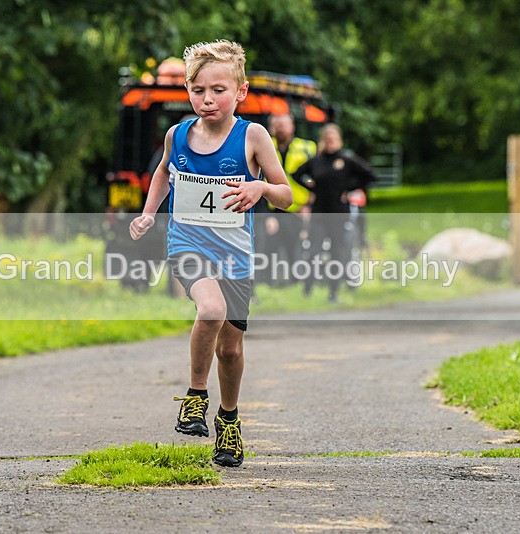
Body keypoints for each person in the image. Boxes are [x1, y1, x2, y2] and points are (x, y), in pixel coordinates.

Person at [129, 40, 292, 467]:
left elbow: (287, 196)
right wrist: (148, 214)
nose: (207, 99)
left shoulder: (253, 136)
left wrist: (260, 188)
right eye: (198, 90)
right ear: (188, 91)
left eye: (218, 90)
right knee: (211, 309)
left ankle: (229, 420)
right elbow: (164, 172)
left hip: (236, 255)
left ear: (240, 91)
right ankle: (196, 395)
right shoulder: (177, 134)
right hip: (188, 243)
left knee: (231, 350)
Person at [293, 123, 375, 302]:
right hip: (319, 213)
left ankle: (334, 292)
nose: (330, 143)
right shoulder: (316, 161)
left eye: (334, 139)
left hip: (338, 213)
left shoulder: (346, 159)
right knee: (314, 251)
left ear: (339, 140)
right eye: (327, 139)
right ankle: (307, 288)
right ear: (323, 141)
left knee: (337, 252)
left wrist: (350, 188)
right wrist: (311, 188)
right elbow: (296, 174)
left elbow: (369, 175)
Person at [260, 114, 317, 282]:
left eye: (284, 124)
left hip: (296, 207)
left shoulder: (307, 147)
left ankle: (295, 281)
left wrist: (309, 205)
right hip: (270, 207)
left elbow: (317, 178)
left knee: (294, 245)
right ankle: (268, 282)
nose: (280, 128)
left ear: (292, 126)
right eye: (277, 125)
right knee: (269, 247)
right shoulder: (264, 145)